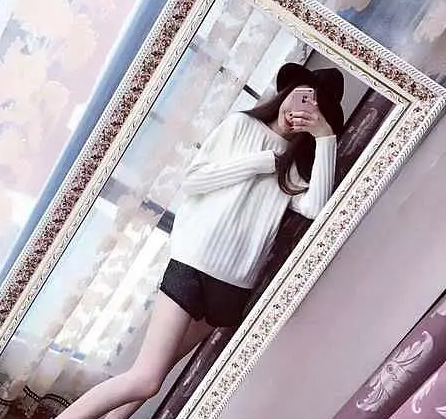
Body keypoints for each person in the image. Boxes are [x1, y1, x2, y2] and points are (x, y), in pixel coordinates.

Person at [55, 62, 344, 419]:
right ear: (287, 93)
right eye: (302, 97)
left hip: (233, 288)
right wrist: (258, 162)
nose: (302, 110)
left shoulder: (296, 168)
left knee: (153, 374)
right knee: (146, 379)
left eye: (315, 109)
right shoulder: (240, 126)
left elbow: (316, 209)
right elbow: (193, 181)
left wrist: (325, 138)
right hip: (192, 265)